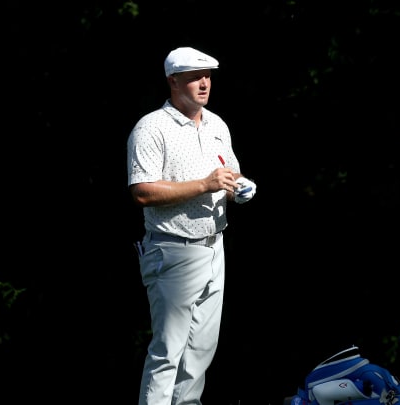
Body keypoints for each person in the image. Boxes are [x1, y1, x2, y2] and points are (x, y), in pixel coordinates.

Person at [127, 46, 257, 405]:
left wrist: (240, 188)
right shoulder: (151, 128)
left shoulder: (216, 124)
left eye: (208, 76)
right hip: (171, 250)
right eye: (194, 77)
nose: (204, 83)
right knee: (168, 351)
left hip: (215, 246)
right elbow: (142, 191)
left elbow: (228, 173)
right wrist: (205, 185)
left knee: (200, 351)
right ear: (173, 80)